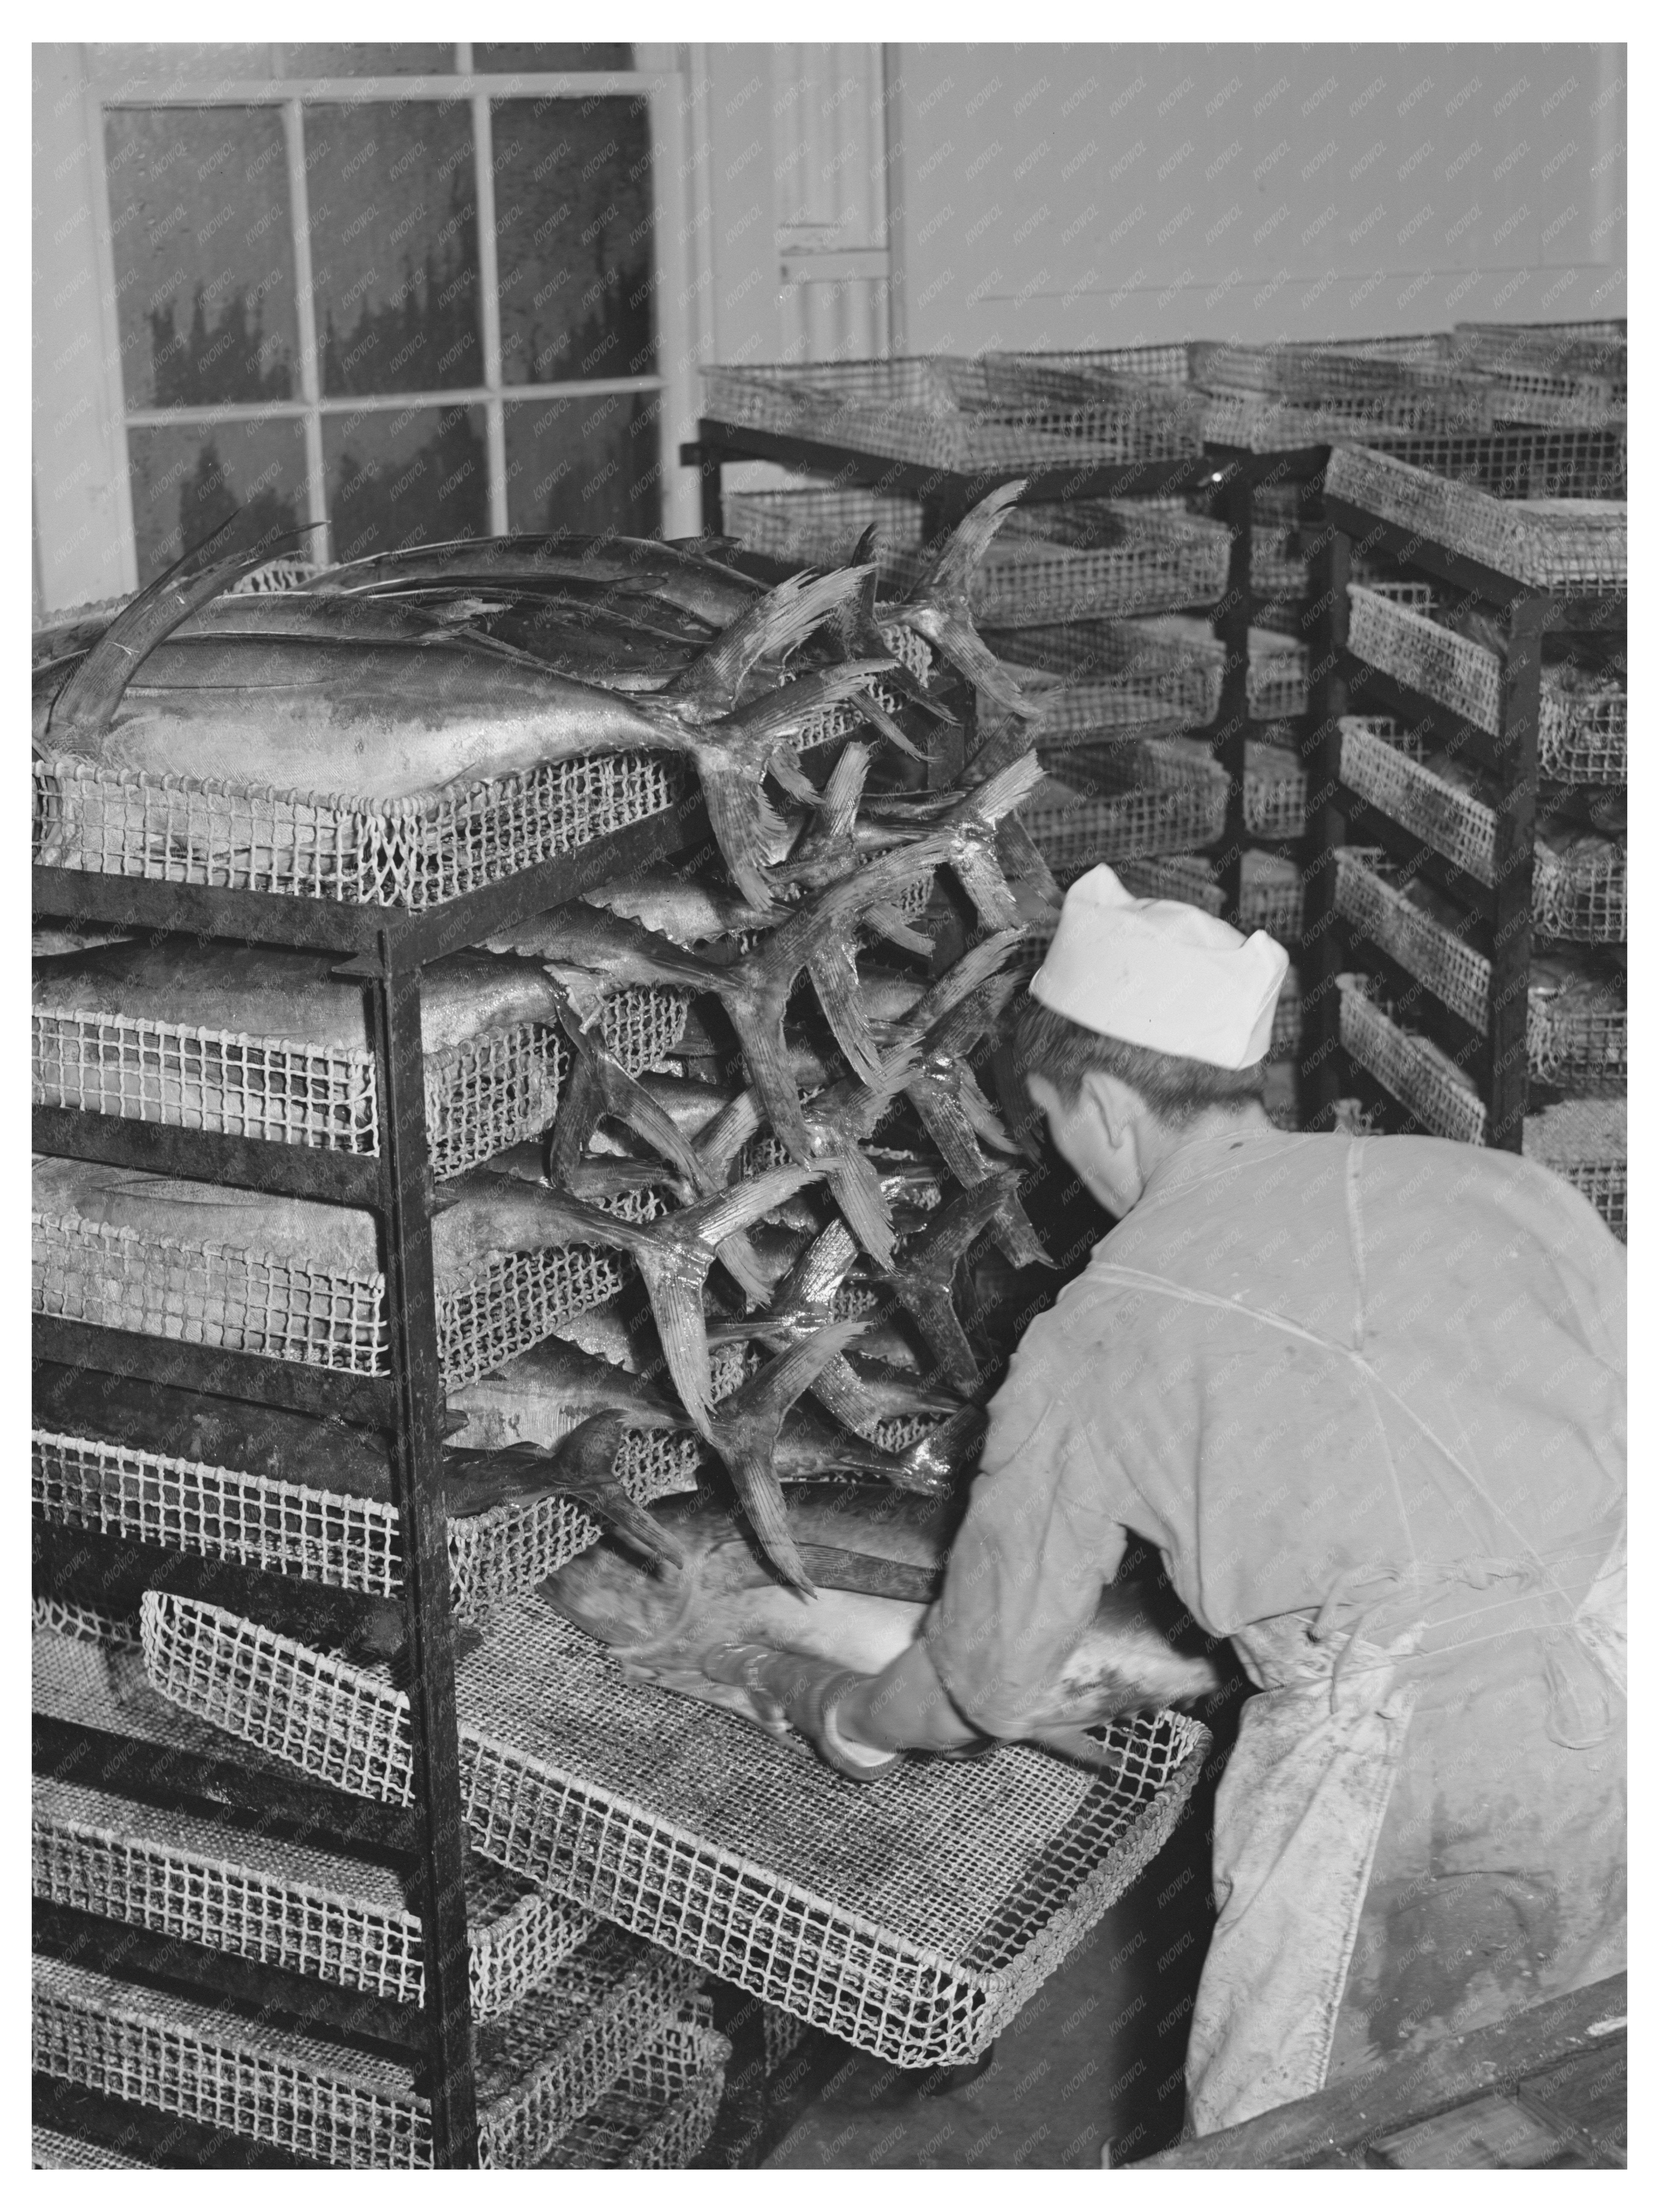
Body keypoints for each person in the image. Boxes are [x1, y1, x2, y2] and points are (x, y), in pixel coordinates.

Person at [706, 864, 1627, 2135]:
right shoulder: (1490, 1184)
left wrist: (851, 1713)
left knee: (1291, 2140)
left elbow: (986, 1683)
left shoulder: (1097, 1332)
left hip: (1406, 1749)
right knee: (1582, 2085)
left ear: (1098, 1104)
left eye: (1046, 1123)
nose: (1059, 1158)